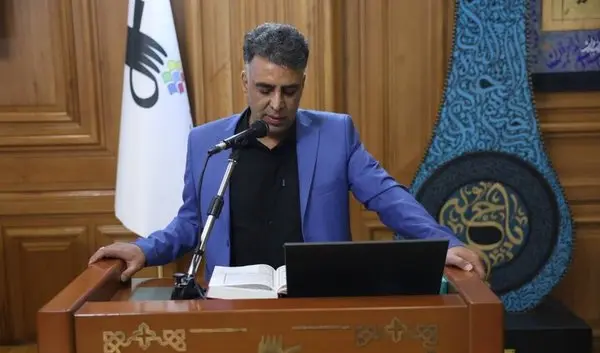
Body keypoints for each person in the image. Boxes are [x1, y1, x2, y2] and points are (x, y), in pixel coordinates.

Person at [89, 22, 485, 282]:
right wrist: (142, 249)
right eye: (265, 90)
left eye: (289, 91)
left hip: (317, 299)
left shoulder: (336, 134)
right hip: (232, 304)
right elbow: (192, 223)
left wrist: (446, 243)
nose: (277, 104)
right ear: (245, 81)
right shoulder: (206, 144)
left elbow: (387, 197)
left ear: (302, 84)